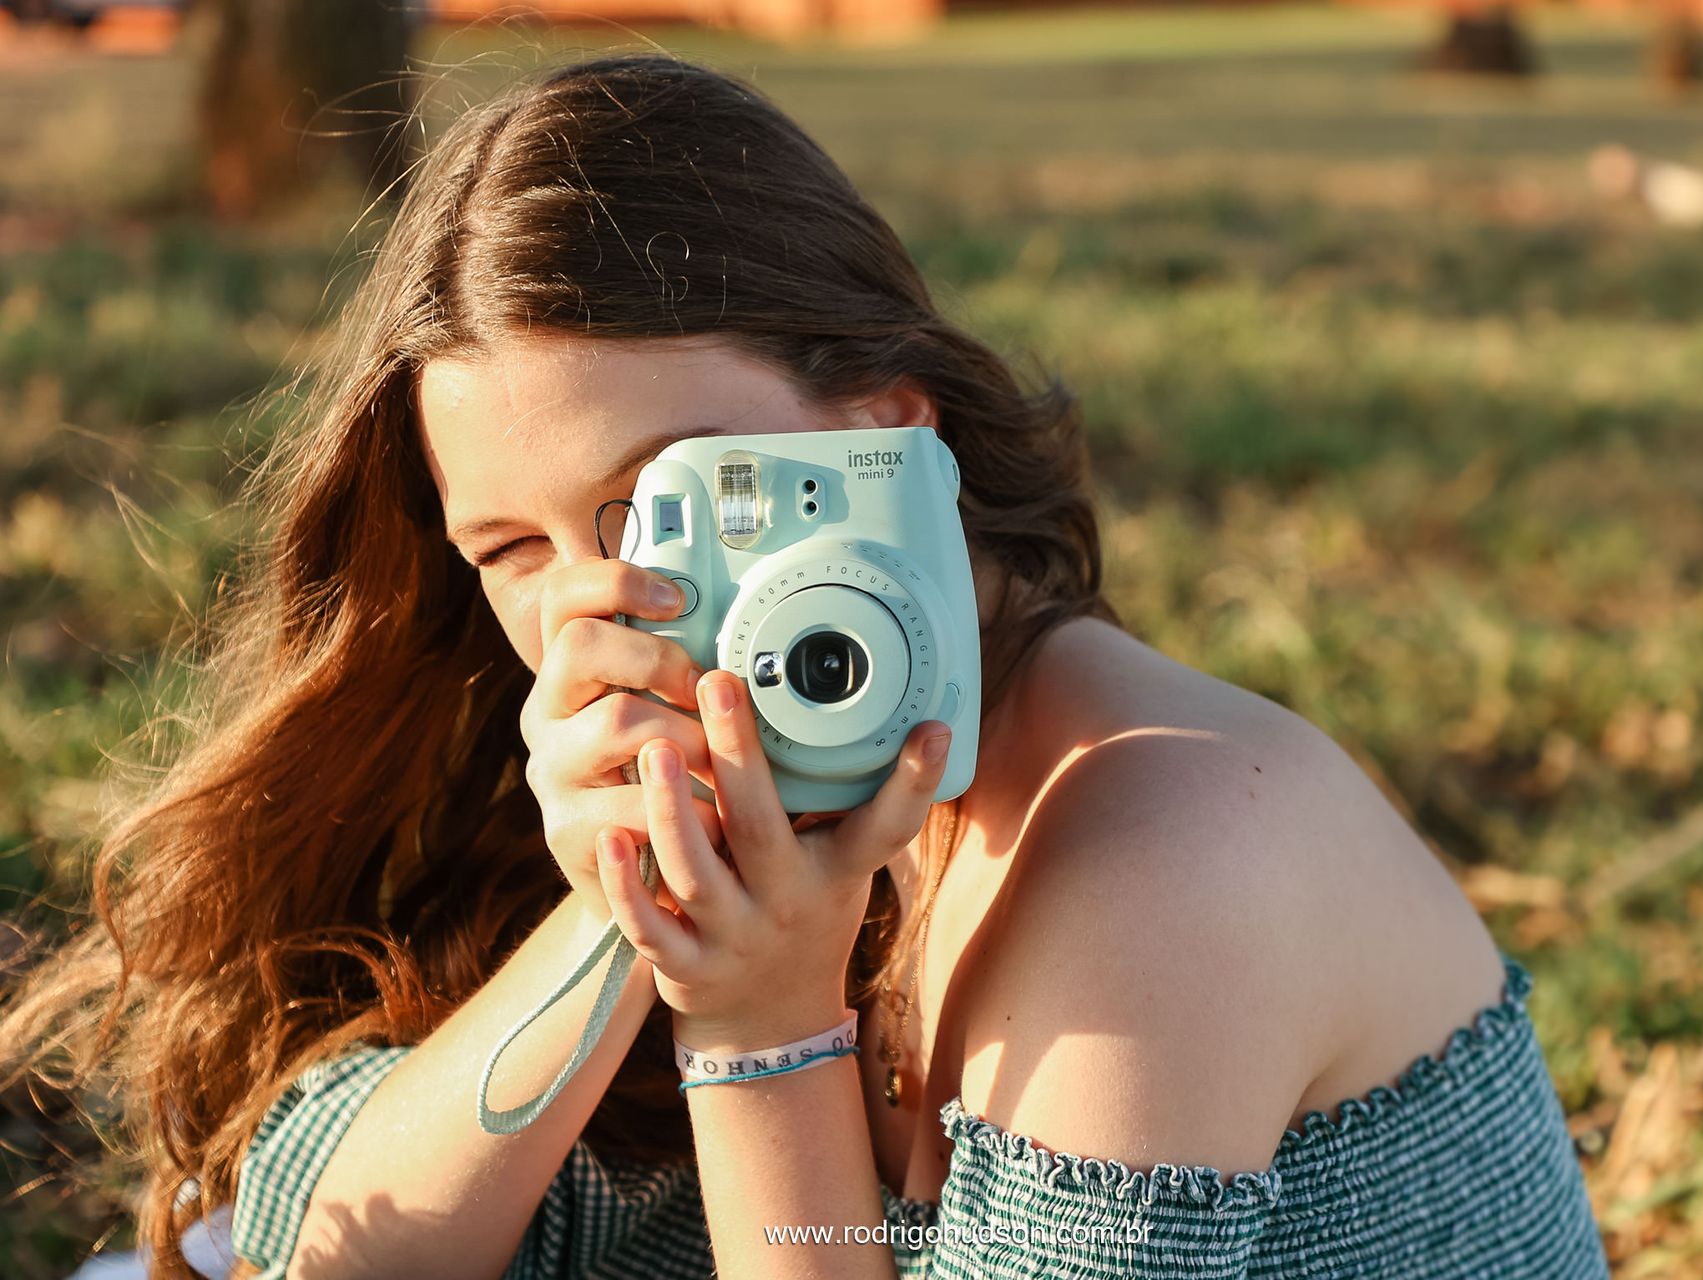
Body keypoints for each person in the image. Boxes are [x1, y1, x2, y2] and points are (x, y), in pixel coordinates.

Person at [3, 50, 1610, 1280]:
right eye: (511, 550)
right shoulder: (786, 807)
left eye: (664, 504)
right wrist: (633, 907)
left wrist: (756, 1027)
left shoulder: (1166, 858)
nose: (595, 608)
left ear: (887, 436)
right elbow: (322, 1251)